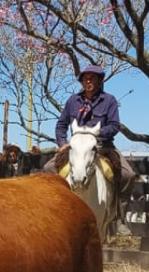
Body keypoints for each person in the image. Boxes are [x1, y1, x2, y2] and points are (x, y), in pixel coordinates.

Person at [43, 64, 137, 232]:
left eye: (92, 78)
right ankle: (50, 210)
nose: (88, 81)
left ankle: (120, 216)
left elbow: (115, 125)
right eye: (85, 78)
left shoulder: (109, 100)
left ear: (99, 81)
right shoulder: (72, 101)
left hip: (102, 146)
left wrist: (97, 134)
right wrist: (62, 143)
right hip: (76, 146)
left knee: (128, 174)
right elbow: (61, 125)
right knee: (48, 168)